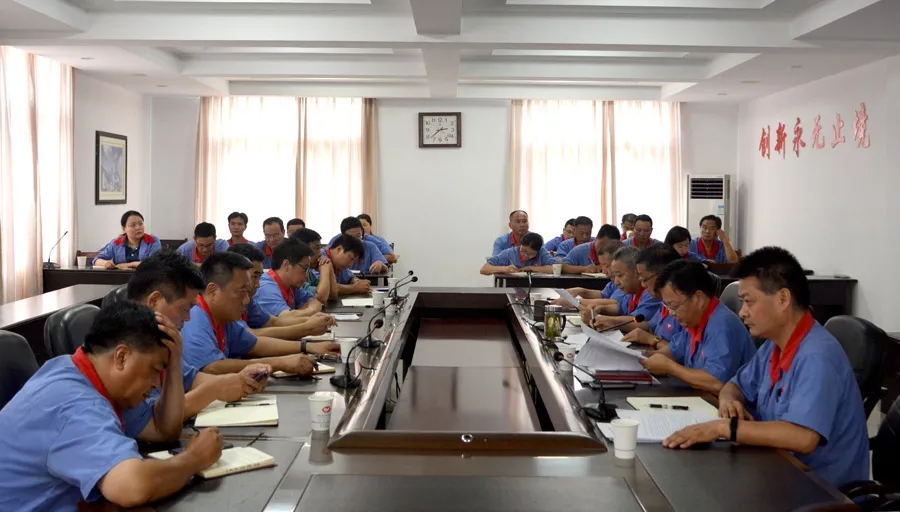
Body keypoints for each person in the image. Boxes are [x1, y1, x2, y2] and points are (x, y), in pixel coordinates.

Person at [663, 247, 869, 489]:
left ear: (783, 299)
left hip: (820, 489)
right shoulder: (774, 345)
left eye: (749, 302)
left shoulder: (816, 356)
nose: (742, 312)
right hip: (774, 468)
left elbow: (803, 437)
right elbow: (733, 386)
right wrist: (730, 401)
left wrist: (724, 427)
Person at [0, 301, 223, 510]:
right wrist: (195, 458)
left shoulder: (76, 370)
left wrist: (173, 363)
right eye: (155, 370)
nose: (157, 383)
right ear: (122, 357)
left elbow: (163, 430)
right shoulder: (77, 404)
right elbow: (132, 487)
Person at [124, 250, 270, 429]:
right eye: (185, 309)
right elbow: (156, 421)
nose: (188, 318)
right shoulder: (125, 349)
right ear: (154, 301)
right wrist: (213, 391)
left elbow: (192, 378)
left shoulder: (159, 341)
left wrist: (239, 380)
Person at [180, 252, 320, 376]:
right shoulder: (193, 317)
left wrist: (307, 347)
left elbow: (255, 344)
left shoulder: (223, 317)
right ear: (213, 291)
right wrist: (279, 363)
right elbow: (211, 367)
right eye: (242, 292)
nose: (247, 300)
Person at [639, 260, 755, 393]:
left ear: (698, 298)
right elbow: (673, 351)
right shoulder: (693, 320)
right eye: (667, 306)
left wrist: (670, 367)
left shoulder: (722, 325)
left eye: (674, 306)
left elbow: (716, 382)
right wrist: (640, 357)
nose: (671, 313)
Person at [228, 243, 336, 340]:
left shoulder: (249, 299)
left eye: (258, 277)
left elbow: (273, 322)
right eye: (254, 276)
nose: (258, 284)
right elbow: (251, 335)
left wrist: (311, 320)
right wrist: (307, 327)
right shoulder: (266, 288)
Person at [581, 246, 660, 333]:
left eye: (620, 275)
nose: (616, 282)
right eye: (615, 276)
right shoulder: (632, 293)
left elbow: (637, 321)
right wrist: (600, 309)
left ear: (637, 272)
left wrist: (606, 320)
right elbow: (619, 308)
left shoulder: (651, 292)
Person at [620, 244, 684, 348]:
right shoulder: (664, 301)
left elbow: (680, 352)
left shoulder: (684, 306)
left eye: (644, 279)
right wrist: (612, 322)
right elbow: (650, 325)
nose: (643, 285)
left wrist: (650, 339)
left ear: (662, 275)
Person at [254, 238, 326, 318]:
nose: (306, 276)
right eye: (304, 269)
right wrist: (311, 310)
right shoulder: (266, 288)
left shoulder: (291, 285)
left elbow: (312, 300)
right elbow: (284, 319)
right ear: (286, 265)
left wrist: (298, 313)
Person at [93, 210, 161, 268]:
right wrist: (105, 263)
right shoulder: (116, 243)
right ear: (124, 229)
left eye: (141, 224)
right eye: (133, 225)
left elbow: (154, 263)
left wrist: (129, 265)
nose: (138, 227)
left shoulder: (153, 241)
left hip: (146, 277)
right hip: (120, 277)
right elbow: (96, 260)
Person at [290, 228, 338, 303]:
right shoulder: (295, 272)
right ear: (302, 249)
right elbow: (320, 298)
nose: (320, 254)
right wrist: (325, 271)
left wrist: (329, 268)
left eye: (320, 248)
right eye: (316, 248)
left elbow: (332, 295)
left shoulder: (308, 272)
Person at [480, 232, 553, 275]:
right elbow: (484, 269)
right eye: (523, 251)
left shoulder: (542, 252)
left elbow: (554, 269)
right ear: (520, 244)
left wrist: (531, 268)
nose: (525, 255)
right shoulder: (509, 253)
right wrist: (505, 269)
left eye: (530, 254)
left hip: (538, 288)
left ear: (538, 251)